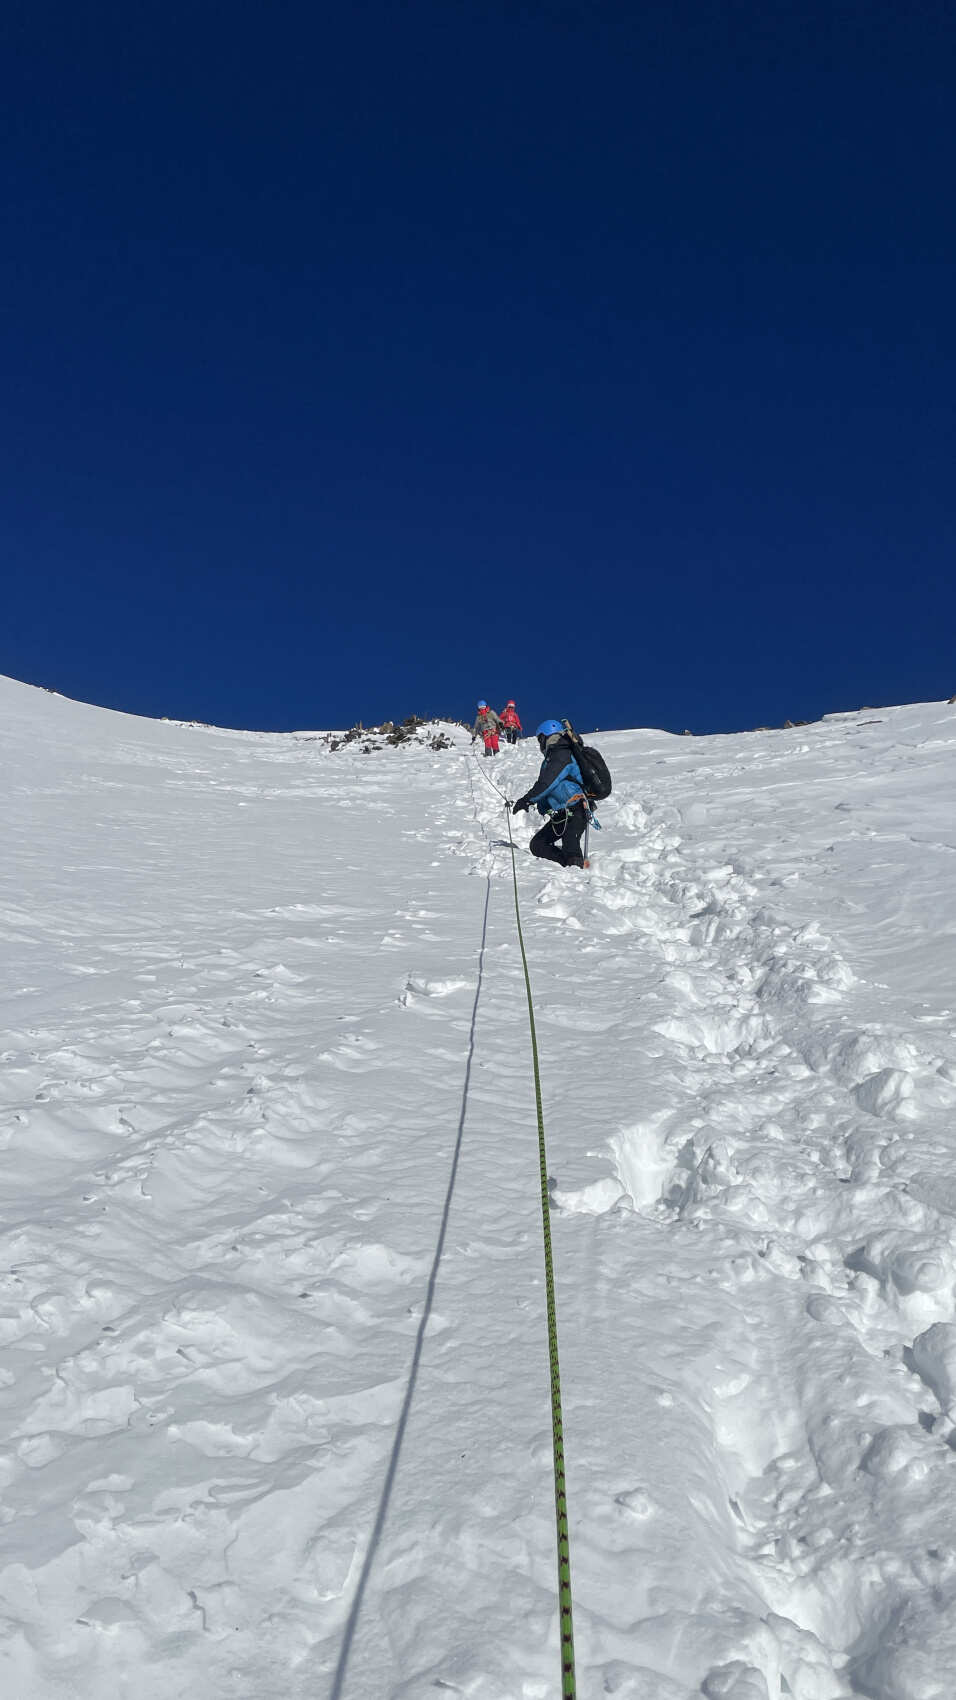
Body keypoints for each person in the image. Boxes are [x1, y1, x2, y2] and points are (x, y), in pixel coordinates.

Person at [511, 719, 589, 867]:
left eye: (540, 739)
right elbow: (549, 788)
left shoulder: (562, 754)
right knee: (538, 845)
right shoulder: (552, 758)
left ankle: (578, 873)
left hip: (576, 809)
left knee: (571, 848)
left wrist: (527, 800)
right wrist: (542, 807)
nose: (540, 744)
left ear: (546, 736)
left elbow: (547, 783)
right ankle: (566, 865)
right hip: (561, 814)